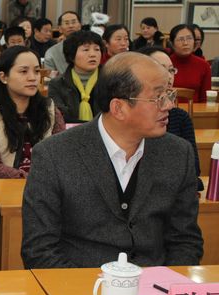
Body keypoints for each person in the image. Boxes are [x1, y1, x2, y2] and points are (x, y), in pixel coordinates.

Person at [22, 52, 203, 269]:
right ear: (118, 108)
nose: (169, 106)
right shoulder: (54, 155)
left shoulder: (177, 153)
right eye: (158, 97)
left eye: (169, 94)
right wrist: (93, 287)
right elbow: (40, 250)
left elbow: (185, 240)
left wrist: (166, 282)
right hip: (81, 281)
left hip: (155, 280)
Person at [0, 46, 65, 179]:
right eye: (23, 71)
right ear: (4, 77)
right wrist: (33, 179)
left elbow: (62, 156)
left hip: (47, 186)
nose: (32, 78)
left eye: (36, 71)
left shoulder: (50, 110)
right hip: (4, 188)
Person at [138, 46, 204, 191]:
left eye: (171, 70)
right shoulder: (135, 113)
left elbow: (193, 170)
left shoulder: (180, 117)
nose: (168, 76)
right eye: (161, 68)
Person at [48, 30, 103, 124]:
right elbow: (59, 116)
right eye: (86, 50)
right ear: (71, 55)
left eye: (97, 49)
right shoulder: (57, 84)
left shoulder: (111, 80)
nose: (93, 54)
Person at [169, 24, 211, 102]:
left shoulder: (204, 65)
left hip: (194, 109)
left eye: (189, 38)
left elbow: (205, 99)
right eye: (181, 39)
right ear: (172, 43)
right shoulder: (166, 63)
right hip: (169, 108)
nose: (185, 43)